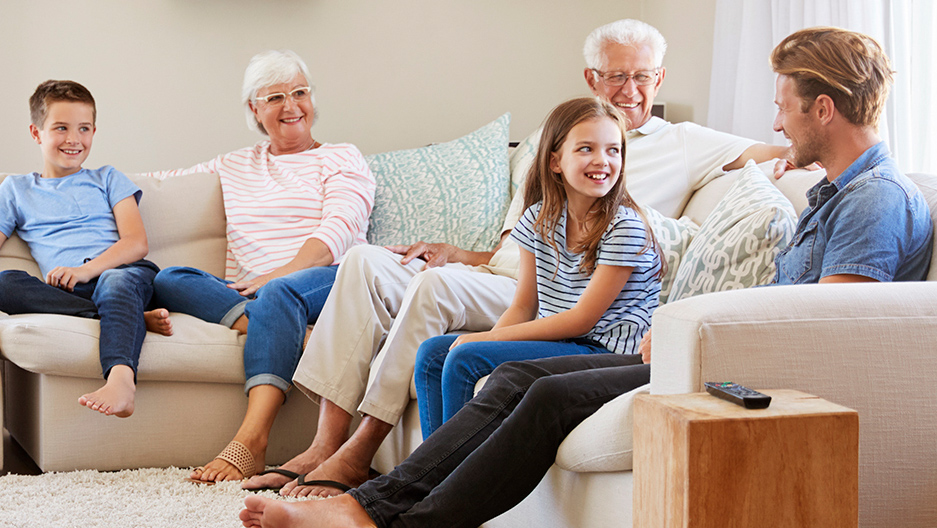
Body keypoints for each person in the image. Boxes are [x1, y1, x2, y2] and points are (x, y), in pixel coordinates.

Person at [238, 26, 932, 528]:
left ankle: (389, 519)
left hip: (745, 373)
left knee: (535, 395)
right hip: (722, 354)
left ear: (821, 109)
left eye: (783, 104)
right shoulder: (834, 192)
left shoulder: (875, 199)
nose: (773, 118)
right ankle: (367, 506)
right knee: (511, 377)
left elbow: (832, 329)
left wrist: (698, 332)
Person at [146, 50, 376, 483]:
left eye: (300, 92)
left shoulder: (342, 157)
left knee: (278, 294)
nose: (291, 106)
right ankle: (285, 328)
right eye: (275, 97)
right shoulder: (235, 164)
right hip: (259, 292)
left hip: (331, 281)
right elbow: (161, 183)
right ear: (254, 108)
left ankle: (251, 442)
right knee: (169, 278)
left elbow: (338, 232)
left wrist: (276, 275)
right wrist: (81, 180)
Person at [413, 97, 662, 438]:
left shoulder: (625, 227)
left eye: (614, 150)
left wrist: (488, 339)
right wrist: (487, 341)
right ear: (555, 161)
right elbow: (523, 306)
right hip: (567, 341)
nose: (602, 161)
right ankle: (431, 473)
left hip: (608, 352)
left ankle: (441, 479)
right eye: (586, 149)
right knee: (432, 353)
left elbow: (582, 320)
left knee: (464, 358)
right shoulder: (537, 219)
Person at [0, 80, 171, 419]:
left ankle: (121, 379)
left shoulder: (108, 178)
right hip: (69, 290)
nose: (74, 139)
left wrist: (85, 269)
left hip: (124, 276)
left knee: (114, 283)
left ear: (94, 131)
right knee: (4, 283)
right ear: (36, 133)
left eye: (84, 128)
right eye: (61, 128)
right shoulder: (16, 189)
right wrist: (76, 278)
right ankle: (128, 318)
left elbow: (136, 243)